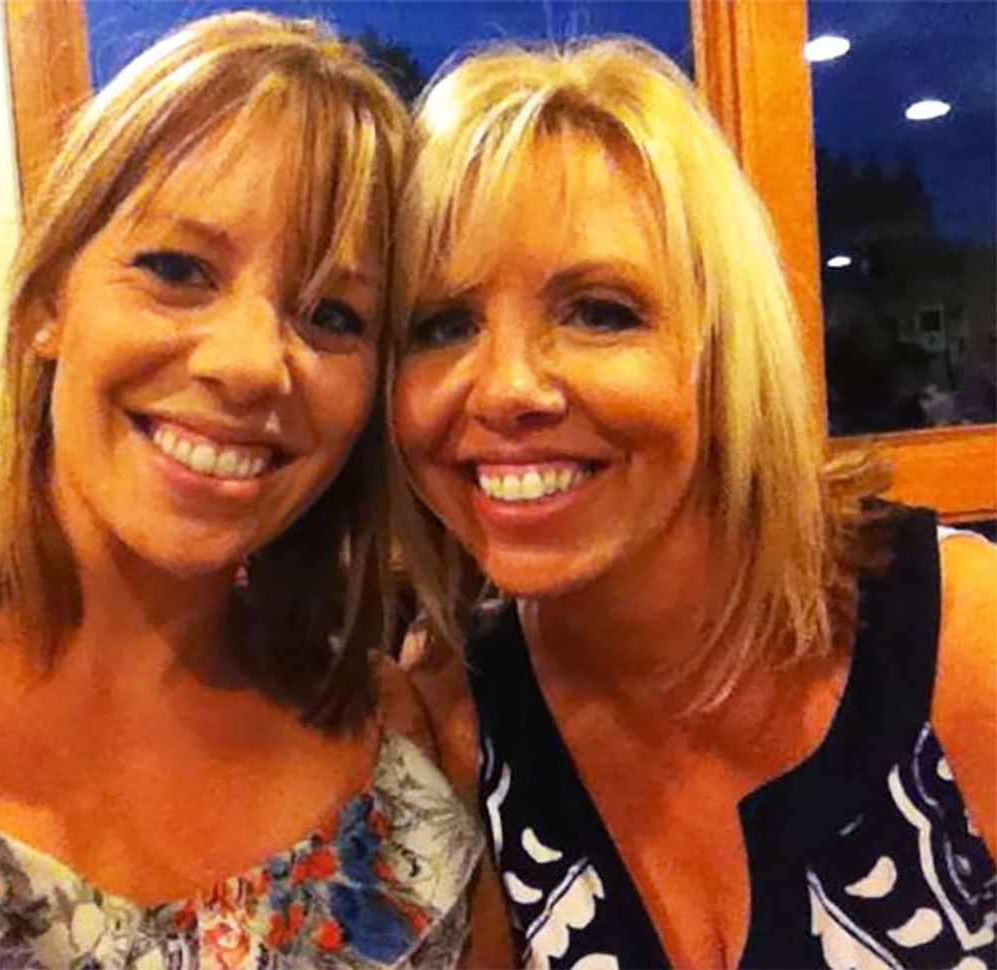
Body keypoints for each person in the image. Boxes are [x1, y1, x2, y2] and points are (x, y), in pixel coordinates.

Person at [0, 13, 488, 967]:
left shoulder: (394, 757)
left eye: (333, 315)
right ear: (48, 298)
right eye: (177, 270)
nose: (251, 363)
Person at [390, 36, 997, 968]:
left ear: (723, 350)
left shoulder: (963, 637)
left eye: (599, 312)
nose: (506, 387)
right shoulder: (455, 704)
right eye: (442, 324)